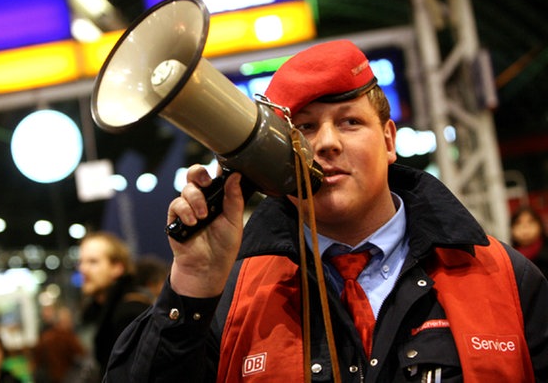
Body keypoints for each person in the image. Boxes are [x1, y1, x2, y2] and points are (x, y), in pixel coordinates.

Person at [103, 40, 548, 382]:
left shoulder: (506, 277)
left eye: (350, 122)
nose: (327, 143)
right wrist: (192, 288)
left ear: (389, 140)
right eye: (304, 129)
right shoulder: (230, 297)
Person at [77, 232, 152, 376]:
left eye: (93, 262)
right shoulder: (97, 310)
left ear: (117, 268)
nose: (83, 269)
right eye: (81, 262)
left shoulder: (131, 312)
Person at [32, 305, 89, 383]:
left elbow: (35, 361)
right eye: (69, 320)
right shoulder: (68, 337)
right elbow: (82, 354)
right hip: (68, 378)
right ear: (62, 321)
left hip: (50, 379)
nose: (71, 323)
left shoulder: (45, 337)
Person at [510, 205, 548, 277]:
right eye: (518, 223)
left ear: (540, 225)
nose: (525, 227)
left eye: (530, 222)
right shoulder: (510, 258)